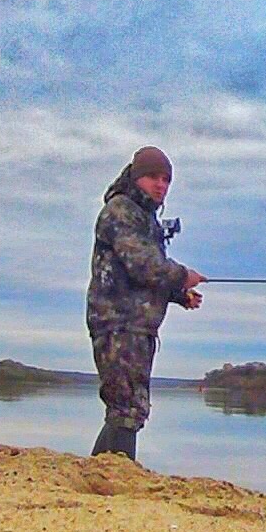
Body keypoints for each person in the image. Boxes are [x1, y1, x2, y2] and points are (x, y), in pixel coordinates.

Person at [87, 146, 205, 461]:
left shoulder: (146, 219)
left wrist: (179, 294)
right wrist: (183, 275)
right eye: (153, 177)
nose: (161, 185)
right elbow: (142, 264)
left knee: (129, 407)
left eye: (166, 180)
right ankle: (117, 479)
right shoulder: (121, 211)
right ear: (136, 177)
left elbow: (142, 276)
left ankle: (100, 473)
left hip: (137, 326)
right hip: (117, 323)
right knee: (127, 407)